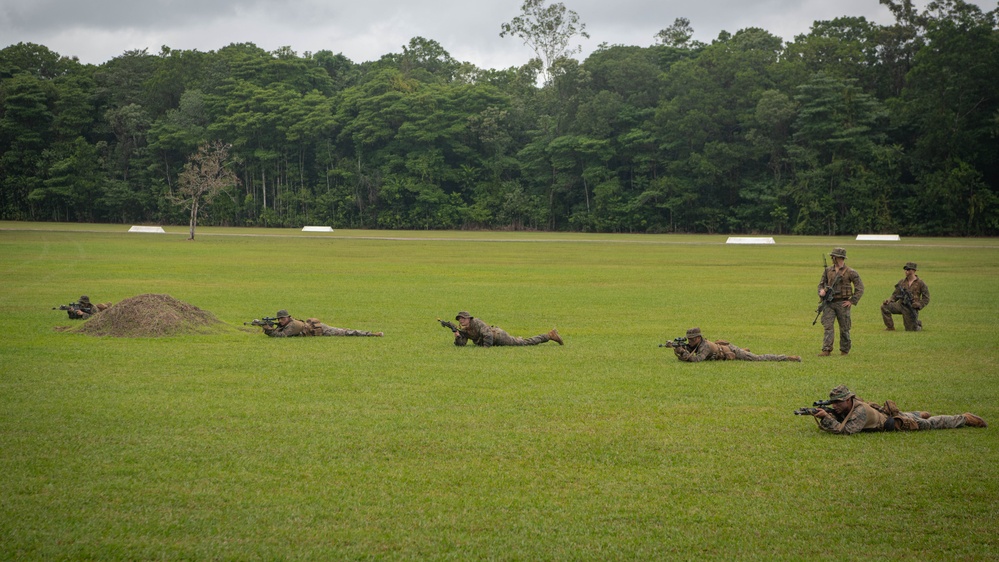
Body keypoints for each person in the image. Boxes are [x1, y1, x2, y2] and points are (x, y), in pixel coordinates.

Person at [809, 385, 986, 434]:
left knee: (929, 424)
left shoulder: (860, 411)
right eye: (833, 403)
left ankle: (964, 418)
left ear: (848, 399)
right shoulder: (851, 405)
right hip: (884, 414)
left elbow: (846, 430)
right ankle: (916, 413)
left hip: (893, 423)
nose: (835, 405)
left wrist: (826, 417)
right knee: (912, 416)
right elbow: (842, 416)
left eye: (838, 402)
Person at [817, 247, 864, 356]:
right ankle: (826, 349)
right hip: (829, 303)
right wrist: (821, 291)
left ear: (839, 258)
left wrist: (852, 301)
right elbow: (821, 284)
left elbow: (860, 288)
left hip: (843, 303)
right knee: (828, 326)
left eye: (833, 256)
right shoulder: (828, 270)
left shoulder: (850, 272)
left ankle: (844, 350)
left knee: (844, 328)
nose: (832, 258)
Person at [671, 327, 801, 362]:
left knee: (757, 358)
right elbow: (689, 353)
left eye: (692, 339)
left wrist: (682, 351)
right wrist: (678, 349)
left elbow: (697, 360)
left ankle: (787, 358)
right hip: (722, 351)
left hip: (730, 350)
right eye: (688, 339)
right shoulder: (696, 344)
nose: (690, 342)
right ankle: (744, 350)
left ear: (699, 338)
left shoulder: (705, 346)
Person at [451, 311, 562, 347]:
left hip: (499, 336)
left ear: (469, 319)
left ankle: (549, 335)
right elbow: (461, 345)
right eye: (459, 319)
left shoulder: (477, 322)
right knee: (518, 341)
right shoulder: (464, 329)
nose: (461, 320)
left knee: (523, 343)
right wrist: (458, 336)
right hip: (495, 339)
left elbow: (488, 335)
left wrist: (485, 348)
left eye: (463, 318)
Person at [262, 310, 383, 338]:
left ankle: (372, 334)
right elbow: (280, 330)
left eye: (282, 319)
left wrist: (268, 330)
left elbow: (282, 336)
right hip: (316, 329)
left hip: (322, 330)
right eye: (279, 319)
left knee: (346, 332)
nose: (280, 321)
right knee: (344, 331)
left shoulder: (293, 325)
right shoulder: (288, 323)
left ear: (288, 317)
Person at [881, 262, 929, 331]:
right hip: (900, 305)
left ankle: (918, 324)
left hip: (910, 307)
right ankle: (890, 327)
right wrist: (889, 300)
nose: (906, 271)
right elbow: (895, 295)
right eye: (906, 269)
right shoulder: (902, 282)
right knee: (884, 306)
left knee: (910, 330)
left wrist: (919, 304)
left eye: (909, 269)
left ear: (914, 271)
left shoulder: (921, 283)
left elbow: (926, 298)